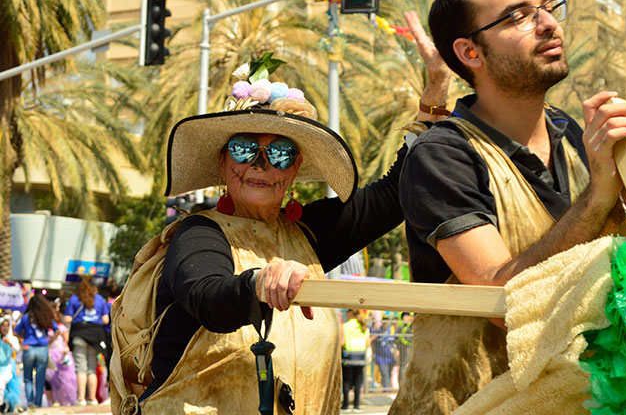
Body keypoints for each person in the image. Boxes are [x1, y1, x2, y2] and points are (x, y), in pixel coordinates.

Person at [110, 51, 449, 415]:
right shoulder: (197, 233)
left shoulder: (308, 233)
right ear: (223, 162)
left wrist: (435, 97)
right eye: (244, 149)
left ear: (295, 169)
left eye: (281, 153)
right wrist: (259, 282)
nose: (261, 164)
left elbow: (392, 194)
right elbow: (207, 295)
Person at [390, 0, 626, 415]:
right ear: (470, 52)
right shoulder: (441, 154)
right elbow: (502, 298)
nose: (548, 23)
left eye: (547, 6)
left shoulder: (581, 139)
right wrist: (599, 195)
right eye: (519, 15)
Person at [63, 277, 109, 406]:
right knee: (92, 369)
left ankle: (81, 399)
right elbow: (105, 320)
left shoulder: (74, 299)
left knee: (81, 368)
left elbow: (67, 319)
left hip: (79, 335)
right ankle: (93, 399)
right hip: (95, 336)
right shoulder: (99, 299)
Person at [14, 294, 59, 408]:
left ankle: (30, 403)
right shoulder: (45, 316)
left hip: (29, 348)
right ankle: (38, 404)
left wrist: (21, 340)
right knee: (40, 378)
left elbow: (16, 331)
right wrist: (50, 341)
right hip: (42, 349)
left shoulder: (26, 317)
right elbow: (57, 330)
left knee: (28, 378)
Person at [47, 304, 77, 406]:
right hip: (50, 354)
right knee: (51, 380)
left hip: (61, 354)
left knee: (64, 379)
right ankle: (53, 401)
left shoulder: (61, 327)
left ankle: (64, 400)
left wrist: (66, 350)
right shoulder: (47, 328)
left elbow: (66, 341)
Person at [340, 309, 370, 413]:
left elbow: (342, 342)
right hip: (360, 357)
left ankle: (346, 405)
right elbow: (367, 344)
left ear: (351, 313)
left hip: (349, 357)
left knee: (347, 381)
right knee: (358, 382)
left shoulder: (345, 326)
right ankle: (357, 405)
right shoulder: (364, 326)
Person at [395, 312, 413, 384]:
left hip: (410, 346)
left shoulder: (409, 325)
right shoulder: (401, 326)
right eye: (406, 316)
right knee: (403, 365)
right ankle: (401, 383)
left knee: (409, 365)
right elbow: (398, 338)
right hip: (403, 347)